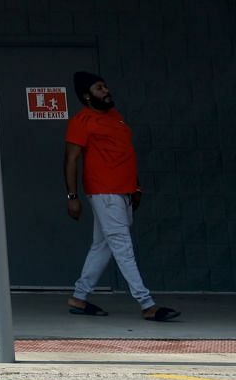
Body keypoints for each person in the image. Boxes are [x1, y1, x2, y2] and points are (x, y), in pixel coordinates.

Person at [65, 70, 181, 322]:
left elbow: (125, 153)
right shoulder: (81, 121)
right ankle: (146, 303)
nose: (105, 91)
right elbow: (71, 159)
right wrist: (72, 196)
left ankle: (79, 296)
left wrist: (135, 188)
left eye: (105, 86)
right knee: (122, 245)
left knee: (103, 245)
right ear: (87, 96)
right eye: (99, 88)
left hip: (124, 191)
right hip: (104, 192)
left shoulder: (115, 117)